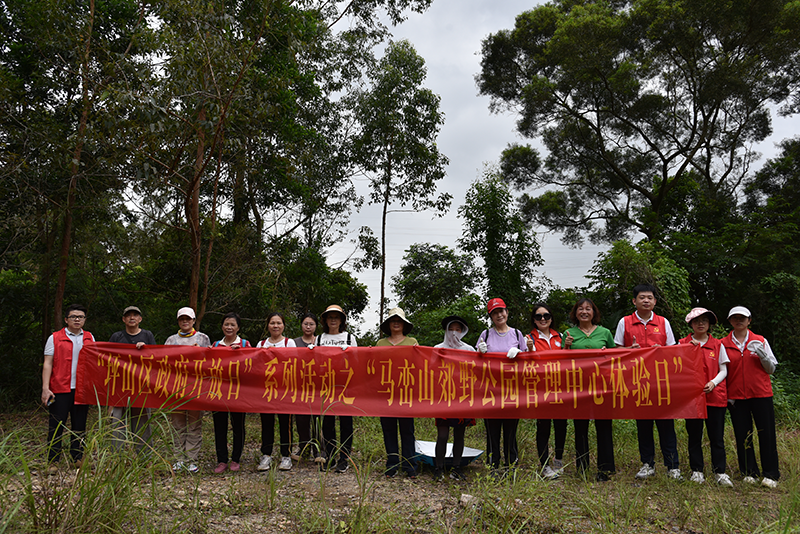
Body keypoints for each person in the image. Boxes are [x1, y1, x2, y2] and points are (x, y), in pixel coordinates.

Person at [614, 284, 680, 480]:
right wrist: (629, 351)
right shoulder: (624, 322)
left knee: (666, 424)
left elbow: (674, 349)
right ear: (634, 301)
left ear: (655, 302)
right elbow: (615, 351)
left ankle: (672, 466)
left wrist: (662, 351)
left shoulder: (663, 322)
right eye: (642, 297)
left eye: (650, 298)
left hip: (661, 382)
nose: (646, 301)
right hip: (637, 383)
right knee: (643, 425)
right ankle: (647, 464)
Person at [721, 306, 780, 488]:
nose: (739, 321)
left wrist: (763, 356)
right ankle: (749, 472)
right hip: (737, 397)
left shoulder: (760, 340)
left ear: (749, 321)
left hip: (761, 394)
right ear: (730, 321)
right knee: (743, 434)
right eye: (735, 318)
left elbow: (771, 369)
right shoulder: (723, 343)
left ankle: (770, 474)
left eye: (743, 318)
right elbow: (721, 370)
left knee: (766, 433)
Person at [563, 298, 617, 481]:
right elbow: (562, 361)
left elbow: (616, 358)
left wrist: (606, 353)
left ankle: (605, 469)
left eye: (588, 309)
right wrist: (567, 346)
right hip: (578, 387)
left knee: (604, 426)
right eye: (580, 309)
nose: (584, 312)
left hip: (602, 386)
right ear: (575, 313)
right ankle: (582, 468)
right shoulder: (568, 333)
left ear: (594, 312)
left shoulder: (605, 332)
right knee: (580, 427)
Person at [678, 308, 733, 487]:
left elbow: (723, 370)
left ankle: (720, 472)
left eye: (704, 320)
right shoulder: (682, 343)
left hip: (715, 397)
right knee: (694, 436)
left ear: (709, 324)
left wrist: (713, 382)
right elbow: (676, 369)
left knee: (716, 437)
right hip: (691, 399)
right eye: (696, 321)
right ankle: (697, 471)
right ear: (691, 324)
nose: (700, 323)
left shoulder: (718, 345)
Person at [476, 298, 527, 473]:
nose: (499, 315)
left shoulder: (517, 334)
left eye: (501, 311)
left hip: (513, 391)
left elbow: (529, 361)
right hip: (490, 391)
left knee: (511, 430)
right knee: (492, 430)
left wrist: (520, 352)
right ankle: (492, 466)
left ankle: (511, 465)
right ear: (491, 316)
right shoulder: (486, 334)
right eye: (495, 313)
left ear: (507, 312)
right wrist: (480, 353)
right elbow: (475, 363)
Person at [41, 304, 94, 473]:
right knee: (56, 425)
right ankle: (53, 461)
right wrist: (45, 388)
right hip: (59, 388)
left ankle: (77, 457)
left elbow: (95, 362)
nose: (77, 319)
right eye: (73, 317)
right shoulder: (55, 337)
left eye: (80, 317)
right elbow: (48, 363)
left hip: (82, 389)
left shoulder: (89, 337)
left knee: (79, 425)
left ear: (85, 320)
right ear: (66, 320)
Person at [164, 306, 211, 474]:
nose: (185, 321)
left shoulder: (203, 338)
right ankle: (178, 459)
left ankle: (191, 459)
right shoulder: (171, 340)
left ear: (193, 321)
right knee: (178, 425)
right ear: (178, 321)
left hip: (196, 389)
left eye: (188, 319)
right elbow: (163, 363)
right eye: (182, 319)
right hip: (175, 389)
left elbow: (212, 361)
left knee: (194, 425)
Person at [375, 308, 419, 478]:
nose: (396, 323)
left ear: (403, 324)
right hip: (386, 393)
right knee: (389, 429)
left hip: (406, 393)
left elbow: (418, 366)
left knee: (407, 430)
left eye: (399, 320)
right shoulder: (380, 344)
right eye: (393, 320)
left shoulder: (412, 342)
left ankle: (410, 466)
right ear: (388, 324)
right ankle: (392, 464)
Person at [525, 303, 566, 480]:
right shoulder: (528, 338)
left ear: (551, 318)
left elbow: (568, 360)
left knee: (561, 425)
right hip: (540, 390)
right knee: (543, 427)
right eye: (538, 316)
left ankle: (559, 459)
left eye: (546, 316)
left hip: (560, 388)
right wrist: (528, 350)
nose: (543, 319)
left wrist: (568, 347)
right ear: (533, 320)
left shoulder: (561, 336)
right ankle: (545, 464)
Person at [433, 315, 476, 480]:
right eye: (451, 329)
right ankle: (439, 468)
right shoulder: (438, 348)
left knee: (459, 434)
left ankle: (456, 468)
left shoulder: (469, 350)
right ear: (446, 330)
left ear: (463, 331)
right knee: (442, 435)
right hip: (443, 398)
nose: (454, 333)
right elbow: (429, 370)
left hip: (462, 398)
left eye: (458, 329)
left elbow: (476, 373)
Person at [315, 304, 357, 473]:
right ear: (325, 320)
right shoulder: (319, 339)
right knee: (328, 423)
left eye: (336, 317)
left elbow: (356, 360)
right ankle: (330, 456)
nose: (333, 320)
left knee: (346, 422)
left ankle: (344, 458)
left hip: (345, 385)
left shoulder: (349, 338)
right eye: (330, 317)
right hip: (326, 385)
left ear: (341, 320)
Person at [108, 306, 156, 453]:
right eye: (128, 315)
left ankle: (144, 457)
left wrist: (146, 349)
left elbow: (156, 359)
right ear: (124, 319)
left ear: (140, 319)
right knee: (116, 423)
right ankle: (117, 458)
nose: (132, 318)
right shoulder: (116, 337)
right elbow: (108, 359)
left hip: (141, 386)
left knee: (142, 423)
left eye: (135, 315)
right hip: (119, 386)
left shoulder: (147, 335)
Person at [256, 312, 296, 472]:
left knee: (285, 423)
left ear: (283, 325)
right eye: (272, 323)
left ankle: (286, 455)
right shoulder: (261, 344)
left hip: (284, 390)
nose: (275, 326)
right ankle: (266, 455)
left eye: (278, 323)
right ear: (268, 325)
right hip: (266, 389)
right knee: (266, 423)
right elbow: (256, 365)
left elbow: (294, 363)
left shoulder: (289, 342)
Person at [211, 312, 251, 473]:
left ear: (238, 327)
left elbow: (251, 366)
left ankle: (236, 459)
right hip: (218, 392)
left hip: (238, 393)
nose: (229, 327)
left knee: (238, 425)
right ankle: (221, 460)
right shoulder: (215, 345)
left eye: (232, 325)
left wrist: (240, 352)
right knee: (219, 426)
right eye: (226, 324)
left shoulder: (244, 343)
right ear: (222, 326)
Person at [293, 312, 321, 462]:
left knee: (317, 418)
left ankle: (318, 449)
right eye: (305, 324)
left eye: (311, 324)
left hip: (317, 386)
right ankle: (304, 447)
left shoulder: (321, 341)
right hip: (300, 386)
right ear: (301, 325)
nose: (308, 326)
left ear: (316, 326)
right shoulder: (294, 342)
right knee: (301, 419)